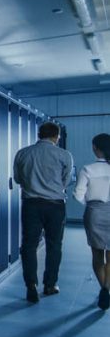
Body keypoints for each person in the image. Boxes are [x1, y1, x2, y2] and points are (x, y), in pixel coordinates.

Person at [13, 121, 73, 303]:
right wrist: (53, 188)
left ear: (39, 134)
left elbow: (17, 178)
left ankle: (30, 285)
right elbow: (67, 180)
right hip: (55, 205)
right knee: (54, 245)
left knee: (29, 245)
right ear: (56, 136)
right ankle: (50, 285)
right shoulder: (64, 155)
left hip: (31, 204)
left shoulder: (23, 153)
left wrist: (33, 185)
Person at [73, 133, 110, 310]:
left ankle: (104, 289)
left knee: (97, 255)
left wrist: (90, 204)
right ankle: (107, 288)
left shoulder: (88, 169)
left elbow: (78, 195)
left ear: (95, 148)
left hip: (95, 213)